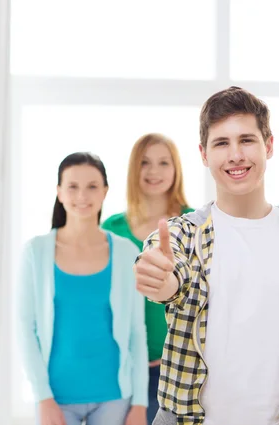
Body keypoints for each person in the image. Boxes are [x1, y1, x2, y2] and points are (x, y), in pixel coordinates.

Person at [133, 86, 279, 425]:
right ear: (203, 154)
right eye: (221, 143)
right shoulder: (181, 235)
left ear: (269, 145)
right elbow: (174, 278)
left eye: (246, 140)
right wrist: (164, 281)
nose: (235, 155)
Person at [16, 152, 149, 425]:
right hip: (56, 398)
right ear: (59, 192)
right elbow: (24, 329)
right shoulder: (35, 251)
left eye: (92, 186)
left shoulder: (126, 252)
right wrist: (44, 398)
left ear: (105, 192)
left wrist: (139, 404)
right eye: (72, 187)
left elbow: (137, 331)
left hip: (115, 397)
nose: (82, 196)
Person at [102, 133, 194, 423]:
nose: (154, 171)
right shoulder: (111, 228)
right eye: (145, 163)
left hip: (179, 369)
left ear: (176, 169)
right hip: (121, 369)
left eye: (163, 162)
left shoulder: (196, 224)